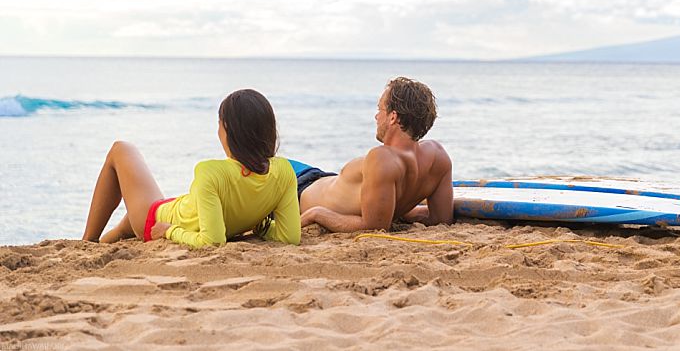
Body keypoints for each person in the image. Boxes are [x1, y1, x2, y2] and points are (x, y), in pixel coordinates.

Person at [82, 89, 301, 248]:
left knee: (121, 149)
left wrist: (169, 231)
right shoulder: (283, 171)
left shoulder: (211, 172)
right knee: (124, 228)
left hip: (155, 219)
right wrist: (261, 227)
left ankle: (87, 242)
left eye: (219, 124)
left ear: (228, 131)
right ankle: (95, 247)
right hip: (181, 209)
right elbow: (289, 237)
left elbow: (212, 241)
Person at [292, 77, 453, 233]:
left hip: (298, 189)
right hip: (317, 178)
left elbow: (373, 227)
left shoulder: (383, 159)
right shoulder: (438, 156)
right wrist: (405, 212)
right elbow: (441, 219)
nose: (376, 116)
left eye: (380, 109)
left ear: (393, 117)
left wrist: (317, 213)